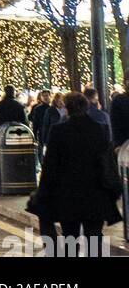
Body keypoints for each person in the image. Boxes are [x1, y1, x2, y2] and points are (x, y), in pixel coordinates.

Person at [30, 91, 120, 256]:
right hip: (95, 193)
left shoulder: (58, 131)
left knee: (70, 237)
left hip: (68, 195)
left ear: (67, 109)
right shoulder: (100, 129)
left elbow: (50, 167)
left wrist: (43, 193)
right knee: (94, 238)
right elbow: (107, 163)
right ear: (87, 107)